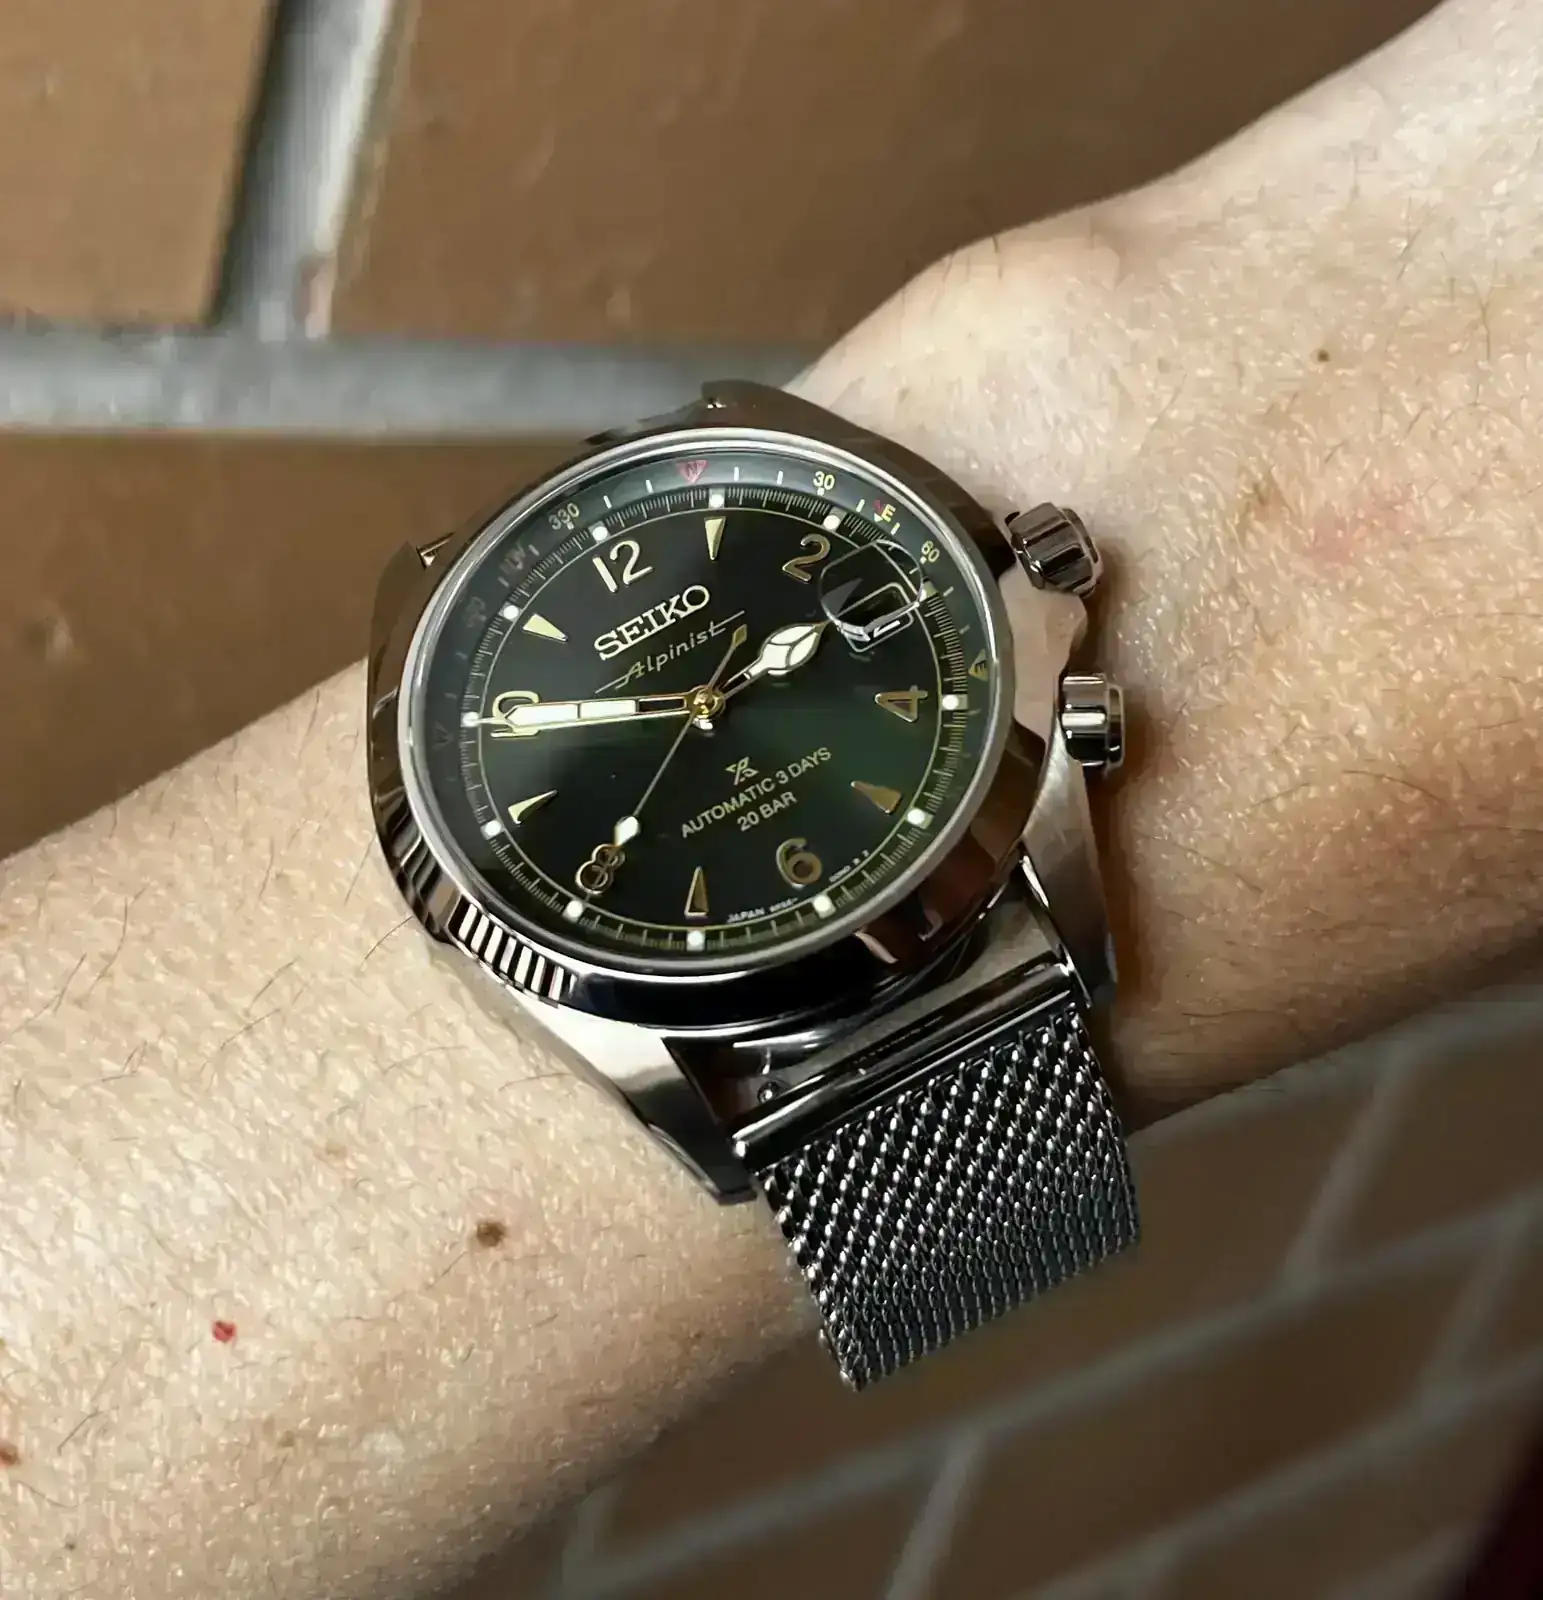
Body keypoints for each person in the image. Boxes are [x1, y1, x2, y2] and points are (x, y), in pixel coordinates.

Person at [2, 0, 1539, 1592]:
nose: (704, 704)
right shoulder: (524, 886)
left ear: (1046, 606)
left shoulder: (976, 705)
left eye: (715, 683)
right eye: (674, 697)